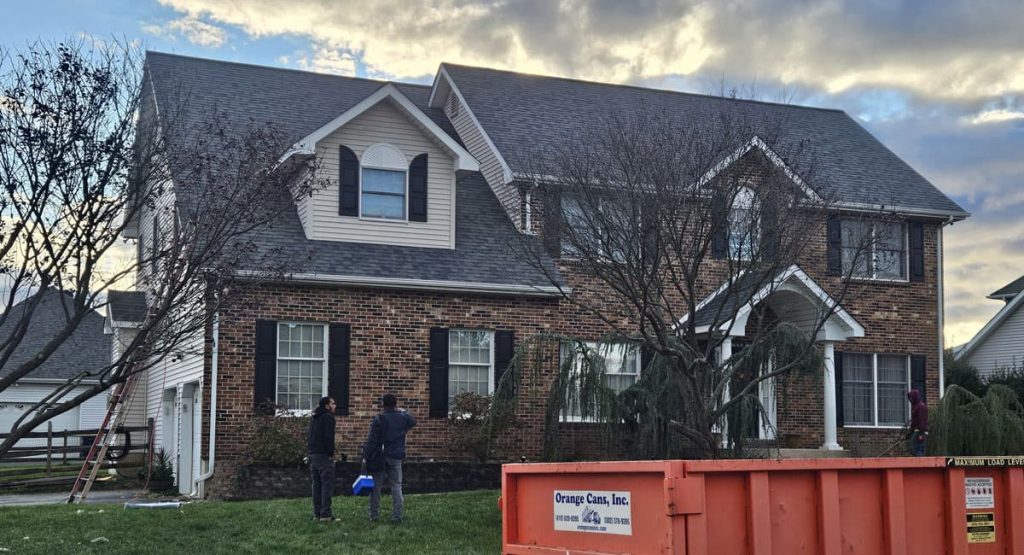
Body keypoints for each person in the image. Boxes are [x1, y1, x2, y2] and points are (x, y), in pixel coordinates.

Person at [362, 393, 416, 523]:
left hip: (380, 456)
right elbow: (413, 421)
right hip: (396, 456)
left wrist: (366, 457)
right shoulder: (402, 418)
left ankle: (373, 515)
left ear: (383, 405)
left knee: (376, 487)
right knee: (396, 486)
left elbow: (372, 441)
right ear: (395, 404)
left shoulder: (379, 420)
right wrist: (403, 410)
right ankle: (397, 516)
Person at [307, 396, 337, 522]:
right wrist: (331, 453)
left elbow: (309, 435)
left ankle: (317, 514)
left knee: (317, 485)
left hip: (313, 454)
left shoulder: (314, 418)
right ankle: (325, 515)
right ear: (327, 406)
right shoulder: (328, 417)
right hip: (324, 455)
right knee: (326, 485)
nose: (335, 406)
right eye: (333, 403)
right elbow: (328, 437)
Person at [907, 389, 928, 456]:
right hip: (915, 430)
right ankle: (918, 460)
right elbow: (914, 421)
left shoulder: (921, 406)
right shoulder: (915, 406)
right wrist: (910, 431)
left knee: (919, 448)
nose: (910, 399)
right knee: (912, 448)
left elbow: (922, 420)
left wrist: (922, 432)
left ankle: (921, 463)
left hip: (920, 431)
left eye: (911, 397)